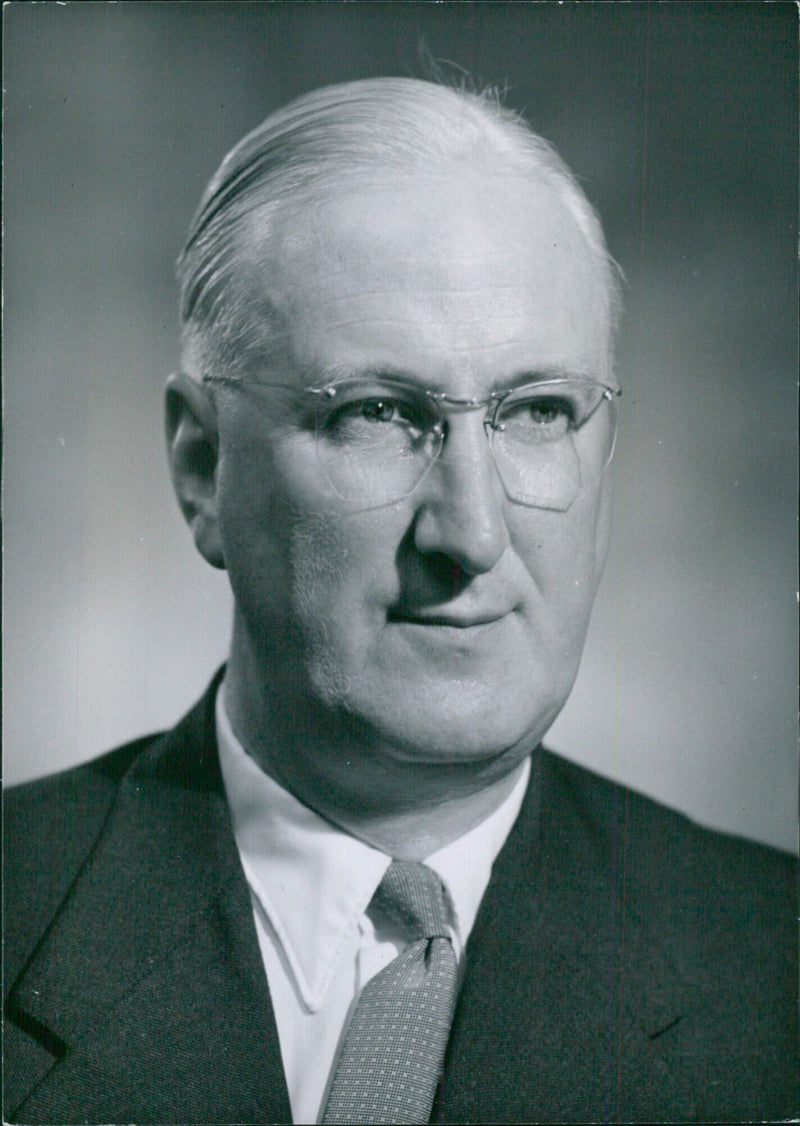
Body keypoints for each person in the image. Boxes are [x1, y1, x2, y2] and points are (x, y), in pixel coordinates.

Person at [4, 78, 796, 1125]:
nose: (469, 533)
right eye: (378, 411)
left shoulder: (772, 966)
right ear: (202, 468)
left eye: (537, 411)